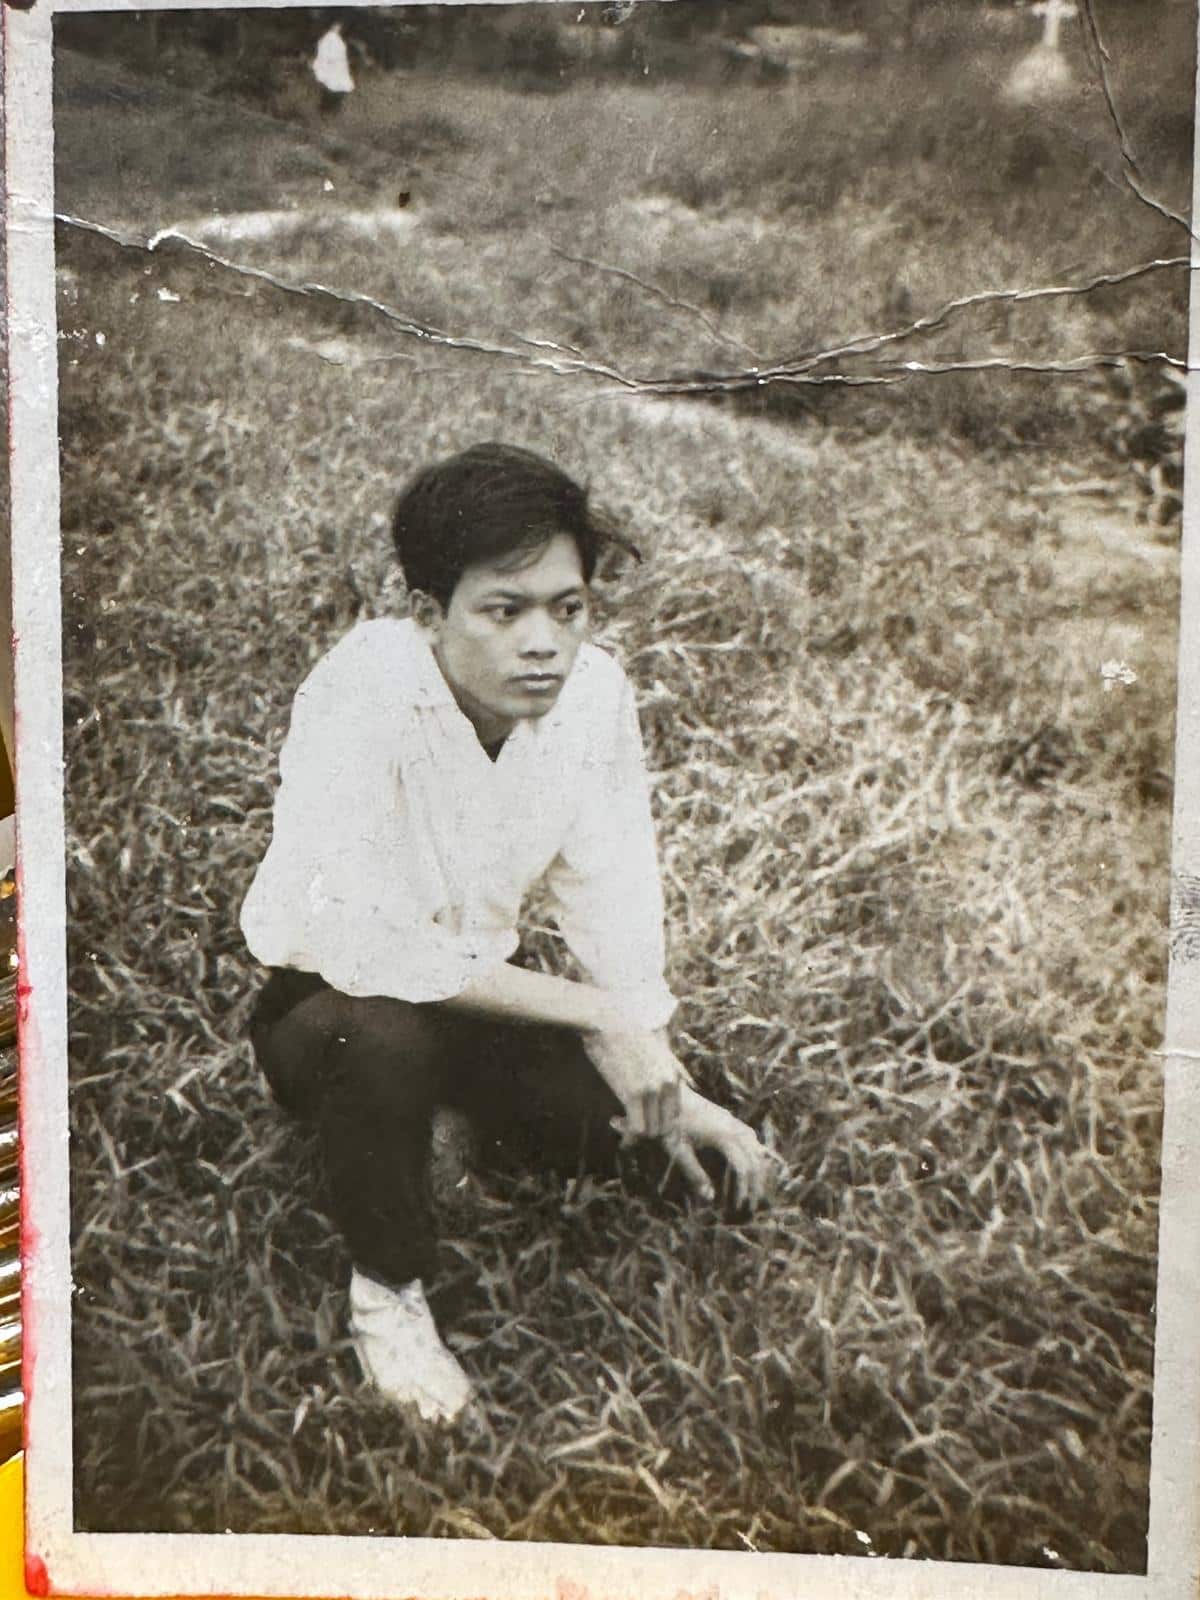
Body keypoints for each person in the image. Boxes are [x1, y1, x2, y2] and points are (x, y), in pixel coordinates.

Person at [241, 443, 774, 1423]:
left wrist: (658, 1065)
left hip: (482, 994)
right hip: (331, 1006)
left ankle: (452, 1126)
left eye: (568, 609)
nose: (545, 644)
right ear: (428, 610)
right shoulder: (363, 688)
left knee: (663, 1151)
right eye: (504, 610)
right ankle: (388, 1293)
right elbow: (363, 942)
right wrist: (598, 1014)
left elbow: (611, 891)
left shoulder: (594, 697)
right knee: (382, 1042)